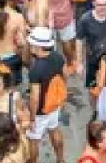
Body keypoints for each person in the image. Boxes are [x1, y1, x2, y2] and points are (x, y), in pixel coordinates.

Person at [26, 27, 65, 163]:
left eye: (32, 44)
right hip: (54, 106)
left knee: (33, 140)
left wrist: (31, 119)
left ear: (38, 47)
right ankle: (60, 159)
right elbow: (64, 76)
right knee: (54, 130)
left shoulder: (36, 70)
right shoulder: (58, 57)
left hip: (40, 112)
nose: (30, 46)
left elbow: (34, 97)